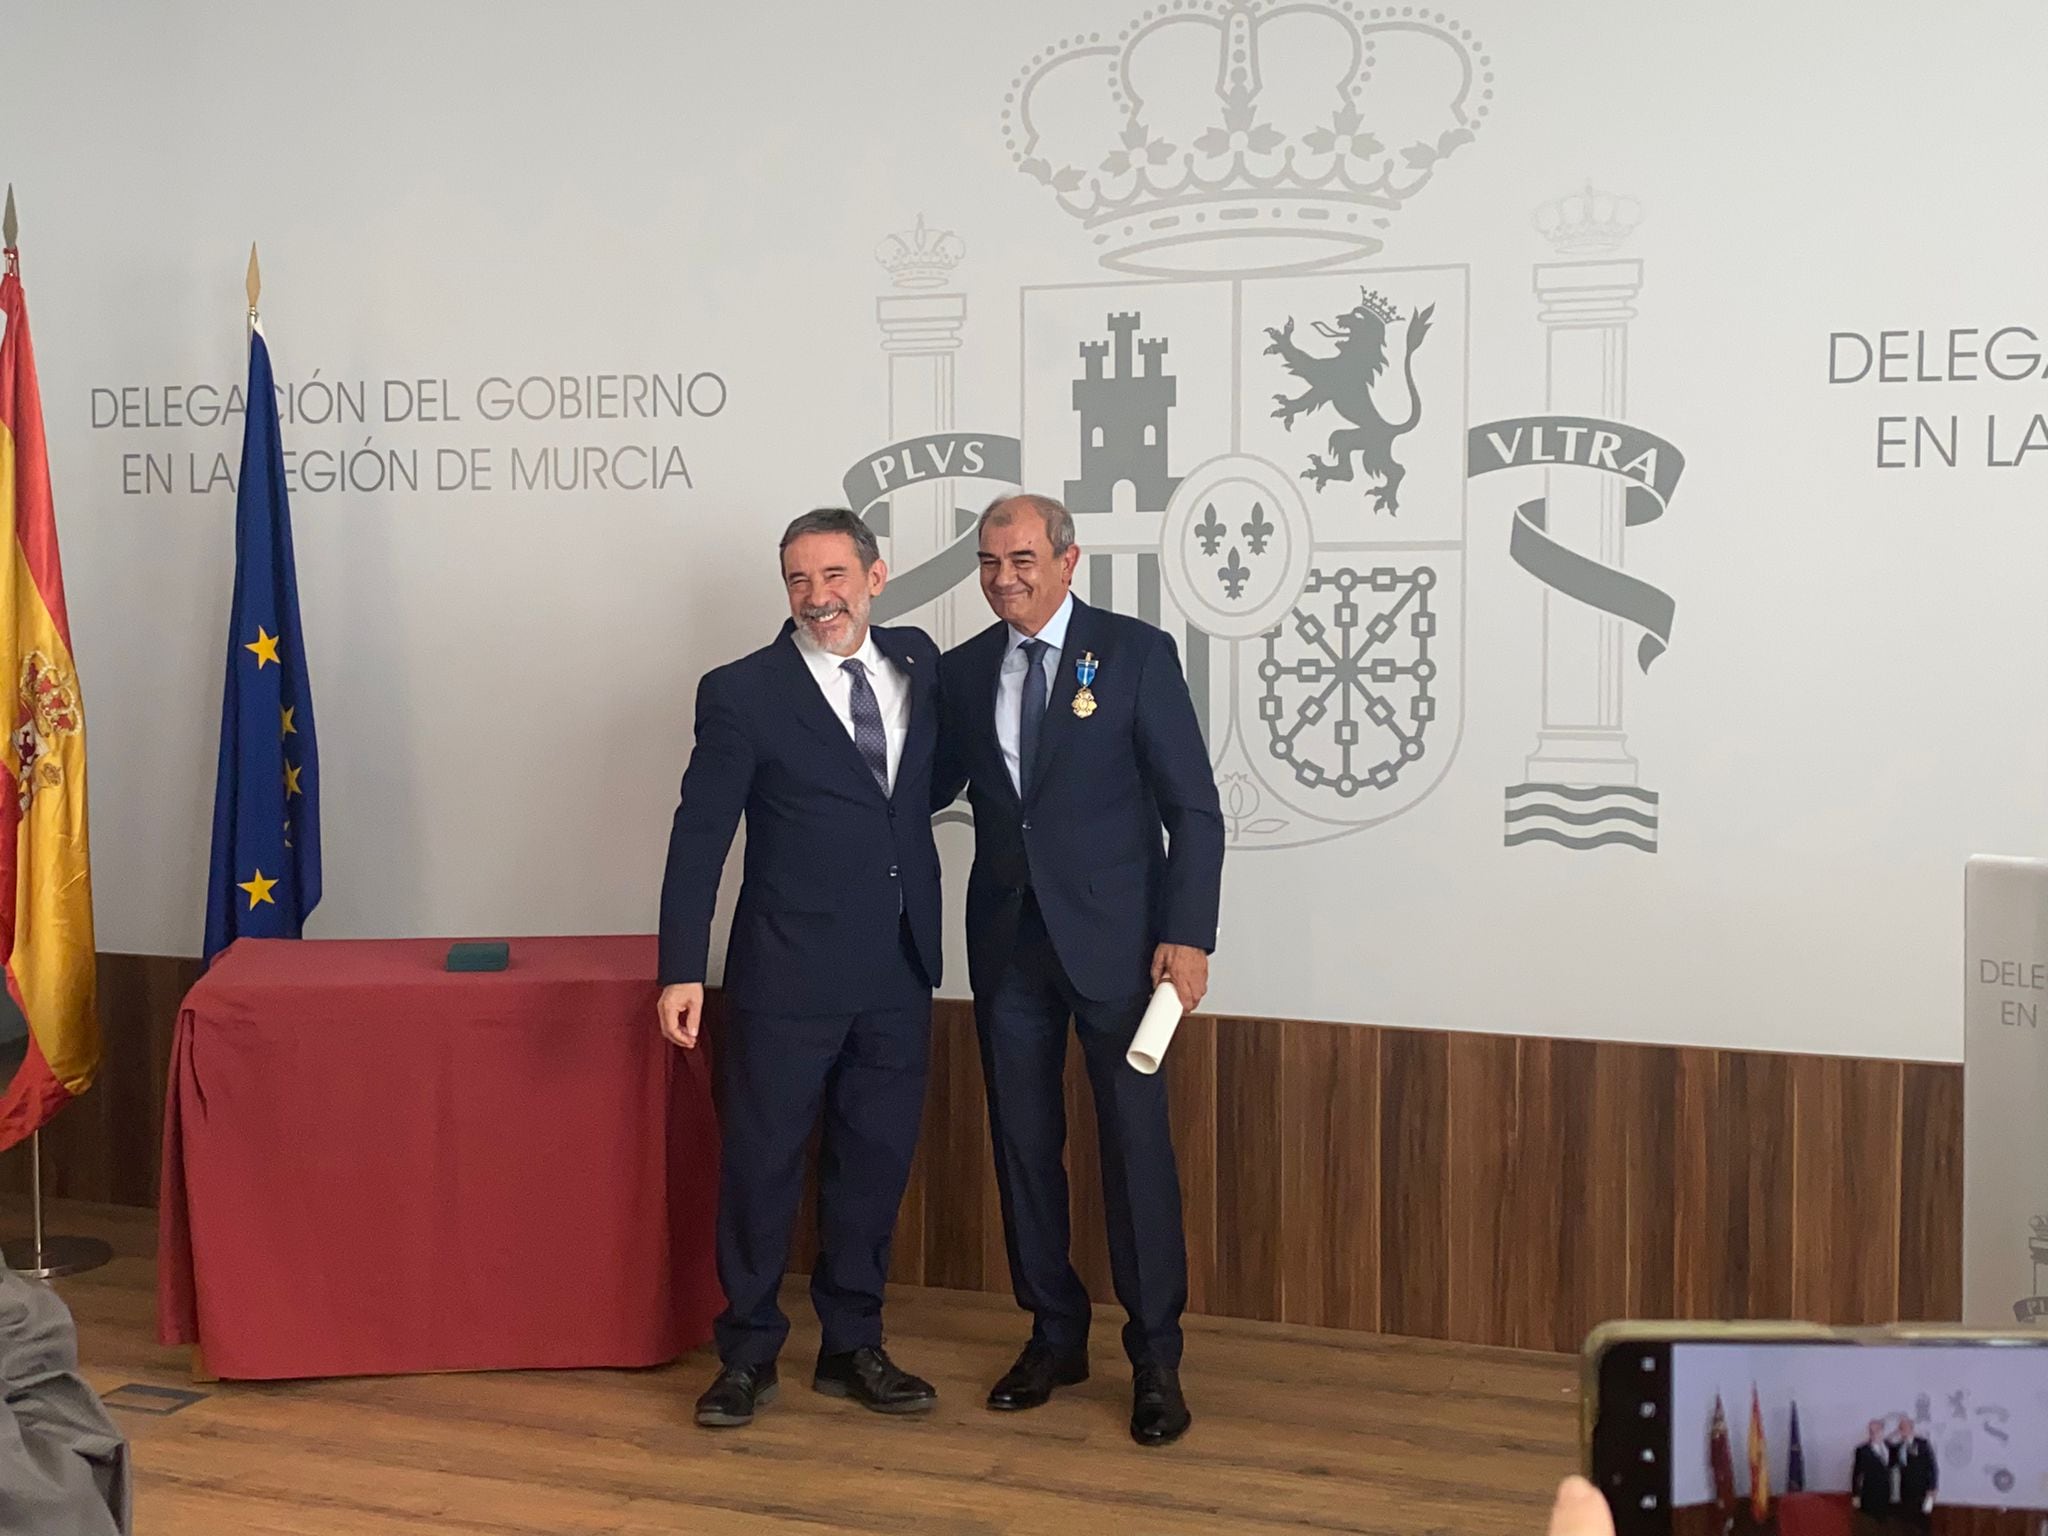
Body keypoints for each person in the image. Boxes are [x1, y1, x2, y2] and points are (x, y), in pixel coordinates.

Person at [935, 492, 1225, 1448]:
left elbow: (1195, 808)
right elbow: (923, 787)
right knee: (1023, 1145)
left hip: (1121, 946)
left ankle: (1156, 1359)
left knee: (1135, 1154)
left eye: (1021, 559)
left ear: (1067, 560)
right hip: (1009, 945)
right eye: (987, 563)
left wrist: (1189, 934)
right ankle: (1054, 1336)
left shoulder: (1134, 653)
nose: (1003, 578)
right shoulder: (966, 668)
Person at [657, 507, 943, 1429]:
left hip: (899, 971)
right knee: (762, 1168)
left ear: (875, 574)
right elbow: (701, 836)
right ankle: (745, 1356)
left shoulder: (919, 665)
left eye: (833, 577)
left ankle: (853, 1349)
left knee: (872, 1167)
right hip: (785, 975)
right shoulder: (742, 691)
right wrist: (680, 967)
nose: (818, 598)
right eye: (797, 581)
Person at [1893, 1415, 1937, 1531]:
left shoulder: (1922, 1444)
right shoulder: (1898, 1447)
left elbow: (1932, 1467)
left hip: (1924, 1490)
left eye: (1904, 1428)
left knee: (1924, 1520)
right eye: (1900, 1428)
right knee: (1907, 1522)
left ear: (1911, 1428)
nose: (1901, 1430)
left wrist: (1932, 1488)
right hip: (1906, 1491)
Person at [1853, 1418, 1893, 1529]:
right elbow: (1856, 1473)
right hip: (1869, 1493)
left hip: (1886, 1493)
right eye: (1871, 1431)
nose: (1874, 1433)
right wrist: (1856, 1495)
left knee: (1885, 1525)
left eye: (1877, 1430)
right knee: (1870, 1525)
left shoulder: (1889, 1447)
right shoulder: (1862, 1450)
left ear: (1882, 1431)